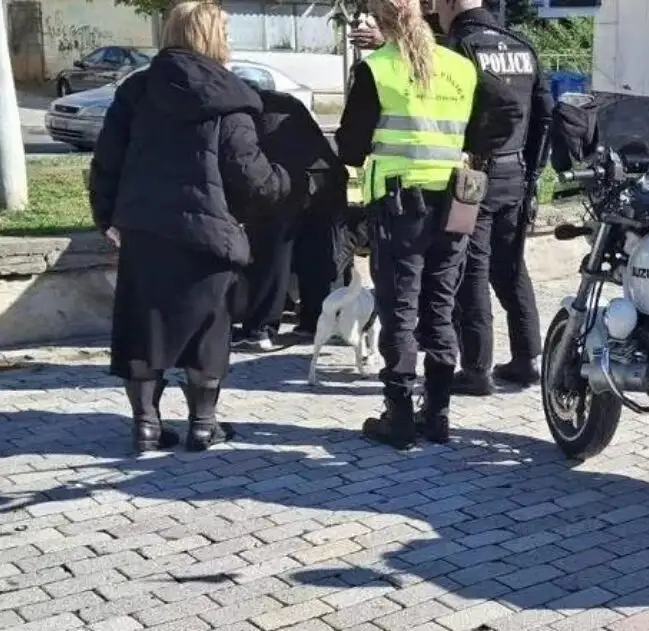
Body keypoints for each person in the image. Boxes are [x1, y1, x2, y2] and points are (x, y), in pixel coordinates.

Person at [89, 0, 290, 453]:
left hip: (145, 229)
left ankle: (146, 426)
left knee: (144, 326)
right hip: (208, 235)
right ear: (212, 37)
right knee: (209, 327)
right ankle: (203, 425)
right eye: (227, 33)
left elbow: (107, 162)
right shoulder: (230, 95)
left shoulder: (136, 89)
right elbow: (249, 175)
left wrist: (108, 218)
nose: (231, 41)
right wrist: (283, 184)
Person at [336, 0, 520, 449]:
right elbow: (509, 109)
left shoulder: (377, 68)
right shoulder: (458, 65)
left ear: (381, 21)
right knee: (440, 307)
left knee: (399, 309)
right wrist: (475, 147)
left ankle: (399, 416)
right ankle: (437, 415)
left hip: (399, 205)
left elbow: (350, 148)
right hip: (454, 202)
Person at [438, 0, 554, 396]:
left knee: (472, 268)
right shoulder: (521, 45)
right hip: (516, 173)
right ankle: (527, 357)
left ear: (451, 3)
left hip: (472, 176)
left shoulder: (459, 48)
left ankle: (476, 369)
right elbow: (545, 116)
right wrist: (532, 172)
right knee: (511, 267)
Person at [234, 77, 348, 349]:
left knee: (272, 252)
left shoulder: (240, 112)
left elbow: (241, 161)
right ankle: (314, 323)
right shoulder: (284, 101)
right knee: (316, 252)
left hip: (285, 179)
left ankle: (260, 330)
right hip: (326, 176)